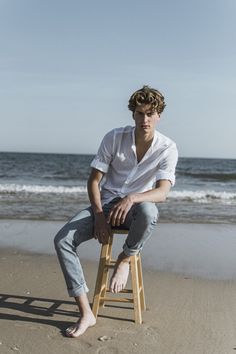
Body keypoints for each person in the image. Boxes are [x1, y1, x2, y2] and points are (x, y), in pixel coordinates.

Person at [54, 85, 178, 338]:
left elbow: (162, 192)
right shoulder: (114, 137)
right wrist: (99, 216)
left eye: (150, 114)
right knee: (62, 240)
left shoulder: (167, 147)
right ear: (133, 114)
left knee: (149, 211)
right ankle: (85, 312)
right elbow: (93, 181)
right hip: (106, 205)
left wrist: (132, 197)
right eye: (140, 113)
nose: (145, 119)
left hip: (135, 209)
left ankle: (126, 257)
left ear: (159, 115)